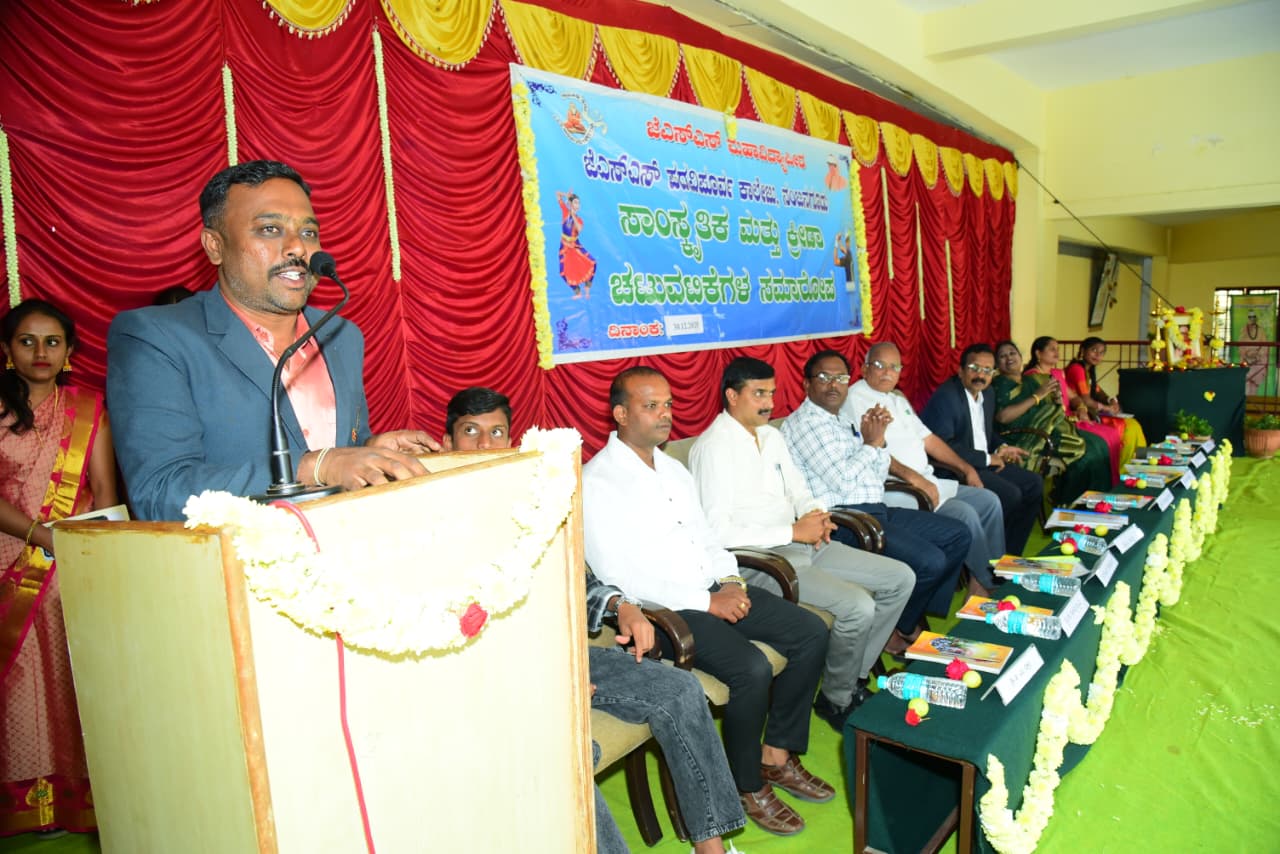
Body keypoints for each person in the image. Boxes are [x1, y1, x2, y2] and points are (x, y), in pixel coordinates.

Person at [441, 387, 748, 852]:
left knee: (680, 690)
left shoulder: (529, 503)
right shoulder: (432, 521)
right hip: (490, 679)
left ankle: (712, 846)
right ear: (448, 442)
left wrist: (621, 605)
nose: (485, 445)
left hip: (563, 655)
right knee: (570, 752)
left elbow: (579, 578)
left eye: (497, 432)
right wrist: (548, 684)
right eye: (471, 432)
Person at [107, 160, 438, 521]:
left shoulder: (342, 336)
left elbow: (335, 454)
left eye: (308, 232)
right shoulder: (156, 337)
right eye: (270, 229)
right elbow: (159, 493)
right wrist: (313, 466)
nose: (297, 248)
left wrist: (368, 451)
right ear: (215, 246)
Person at [585, 367, 834, 837]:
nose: (664, 414)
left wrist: (730, 581)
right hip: (663, 613)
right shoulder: (597, 482)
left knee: (810, 632)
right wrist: (707, 600)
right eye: (650, 405)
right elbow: (620, 578)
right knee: (751, 669)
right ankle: (745, 784)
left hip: (711, 590)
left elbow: (708, 538)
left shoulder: (672, 470)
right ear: (620, 413)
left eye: (668, 404)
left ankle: (776, 754)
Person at [689, 357, 915, 729]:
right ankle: (837, 700)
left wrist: (816, 514)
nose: (769, 403)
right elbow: (718, 533)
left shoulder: (771, 436)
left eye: (772, 393)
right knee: (858, 605)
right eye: (759, 394)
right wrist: (793, 532)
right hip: (760, 561)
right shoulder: (713, 447)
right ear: (731, 395)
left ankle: (850, 679)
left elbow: (799, 490)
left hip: (802, 544)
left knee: (900, 578)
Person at [2, 299, 117, 836]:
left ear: (69, 351)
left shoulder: (89, 410)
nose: (41, 352)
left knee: (72, 679)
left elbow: (105, 491)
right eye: (27, 341)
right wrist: (41, 535)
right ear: (7, 351)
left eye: (52, 342)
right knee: (21, 684)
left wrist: (96, 555)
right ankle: (26, 805)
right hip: (10, 562)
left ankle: (81, 801)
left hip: (74, 566)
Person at [780, 350, 969, 657]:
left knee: (957, 534)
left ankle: (904, 620)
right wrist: (871, 444)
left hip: (876, 509)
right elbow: (842, 481)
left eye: (841, 378)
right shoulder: (806, 423)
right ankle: (901, 627)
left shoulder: (841, 420)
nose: (834, 385)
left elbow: (877, 472)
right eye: (824, 377)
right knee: (930, 561)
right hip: (846, 521)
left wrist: (878, 441)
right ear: (806, 384)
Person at [843, 343, 1006, 593]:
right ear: (864, 369)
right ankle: (989, 585)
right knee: (965, 513)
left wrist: (966, 469)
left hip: (929, 482)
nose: (887, 372)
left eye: (894, 367)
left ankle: (985, 578)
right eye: (879, 365)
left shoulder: (897, 399)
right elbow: (873, 450)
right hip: (899, 489)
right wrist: (916, 479)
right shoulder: (854, 399)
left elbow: (929, 439)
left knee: (989, 501)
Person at [921, 343, 1044, 556]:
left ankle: (1011, 554)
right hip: (954, 469)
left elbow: (985, 433)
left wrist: (1002, 447)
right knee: (1011, 494)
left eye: (987, 370)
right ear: (960, 371)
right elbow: (943, 444)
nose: (981, 375)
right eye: (974, 368)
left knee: (1034, 484)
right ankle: (993, 556)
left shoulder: (988, 393)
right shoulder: (947, 397)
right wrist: (987, 459)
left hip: (982, 462)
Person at [991, 340, 1112, 501]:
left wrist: (1056, 400)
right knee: (1086, 455)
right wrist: (1036, 397)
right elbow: (1003, 417)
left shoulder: (1030, 381)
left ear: (1020, 356)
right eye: (1002, 356)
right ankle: (1070, 501)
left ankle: (1098, 500)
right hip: (1025, 436)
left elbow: (1052, 407)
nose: (1009, 358)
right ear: (997, 364)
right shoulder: (1000, 383)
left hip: (1048, 427)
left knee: (1099, 446)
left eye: (1012, 353)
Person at [1024, 336, 1120, 480]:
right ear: (1038, 353)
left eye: (1057, 349)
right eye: (1052, 349)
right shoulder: (1032, 377)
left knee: (1112, 435)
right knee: (1095, 447)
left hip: (1073, 418)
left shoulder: (1057, 373)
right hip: (1056, 424)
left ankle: (1108, 485)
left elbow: (1074, 397)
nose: (1057, 352)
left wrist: (1081, 408)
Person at [1065, 337, 1146, 469]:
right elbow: (1086, 400)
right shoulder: (1077, 369)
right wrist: (1107, 408)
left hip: (1092, 412)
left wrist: (1110, 400)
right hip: (1080, 415)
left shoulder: (1088, 370)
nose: (1098, 355)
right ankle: (1123, 469)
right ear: (1083, 350)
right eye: (1094, 350)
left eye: (1102, 352)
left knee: (1134, 425)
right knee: (1130, 428)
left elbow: (1097, 390)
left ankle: (1140, 463)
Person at [556, 190, 596, 299]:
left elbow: (579, 229)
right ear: (570, 203)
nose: (577, 205)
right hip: (564, 247)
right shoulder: (565, 211)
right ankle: (577, 291)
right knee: (563, 272)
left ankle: (587, 286)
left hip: (575, 246)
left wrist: (573, 215)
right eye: (575, 202)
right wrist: (566, 195)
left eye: (578, 203)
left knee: (592, 262)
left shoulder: (579, 220)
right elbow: (557, 194)